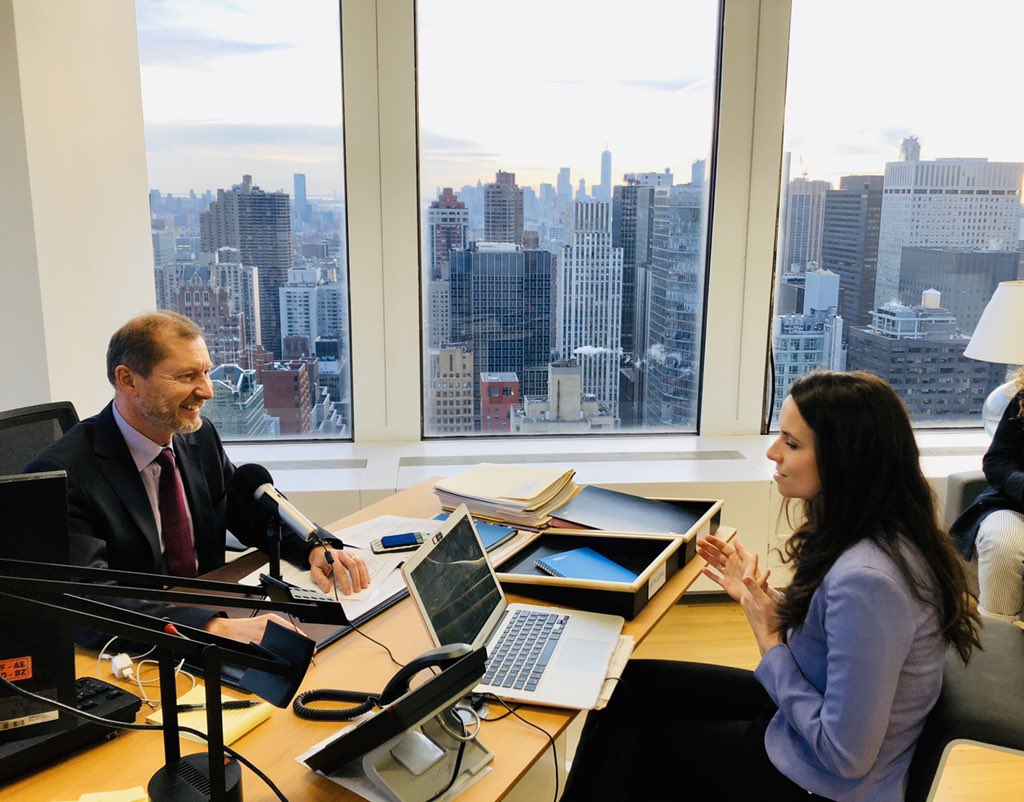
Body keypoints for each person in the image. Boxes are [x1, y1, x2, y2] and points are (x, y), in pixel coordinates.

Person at [561, 371, 979, 802]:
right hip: (801, 720)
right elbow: (837, 642)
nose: (772, 452)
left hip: (820, 781)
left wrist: (770, 640)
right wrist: (763, 601)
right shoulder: (877, 534)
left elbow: (845, 756)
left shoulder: (868, 581)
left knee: (635, 748)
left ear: (844, 459)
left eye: (792, 444)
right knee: (626, 686)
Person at [25, 311, 370, 647]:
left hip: (208, 608)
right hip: (140, 648)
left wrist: (313, 548)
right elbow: (87, 600)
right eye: (187, 376)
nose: (207, 391)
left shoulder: (198, 437)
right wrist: (212, 627)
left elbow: (247, 510)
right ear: (128, 380)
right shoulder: (64, 476)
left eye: (205, 372)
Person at [950, 367, 1024, 620]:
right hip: (1014, 505)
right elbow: (997, 460)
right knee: (1002, 545)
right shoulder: (1022, 400)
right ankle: (997, 633)